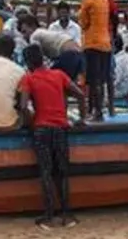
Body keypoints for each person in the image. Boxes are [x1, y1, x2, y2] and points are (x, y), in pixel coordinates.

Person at [18, 43, 84, 229]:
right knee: (62, 172)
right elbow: (79, 94)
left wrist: (31, 121)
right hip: (61, 128)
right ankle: (67, 214)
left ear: (28, 62)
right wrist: (82, 119)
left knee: (46, 172)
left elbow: (23, 107)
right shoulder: (59, 75)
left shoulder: (28, 79)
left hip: (41, 129)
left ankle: (48, 215)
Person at [77, 0, 112, 120]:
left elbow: (84, 23)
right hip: (106, 44)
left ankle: (96, 112)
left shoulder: (88, 0)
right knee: (102, 79)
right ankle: (99, 110)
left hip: (92, 44)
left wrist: (79, 15)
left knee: (92, 80)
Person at [21, 14, 85, 84]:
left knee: (48, 79)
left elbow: (35, 56)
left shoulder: (34, 35)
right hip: (79, 56)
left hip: (69, 55)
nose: (23, 36)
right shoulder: (44, 32)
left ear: (33, 26)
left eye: (24, 31)